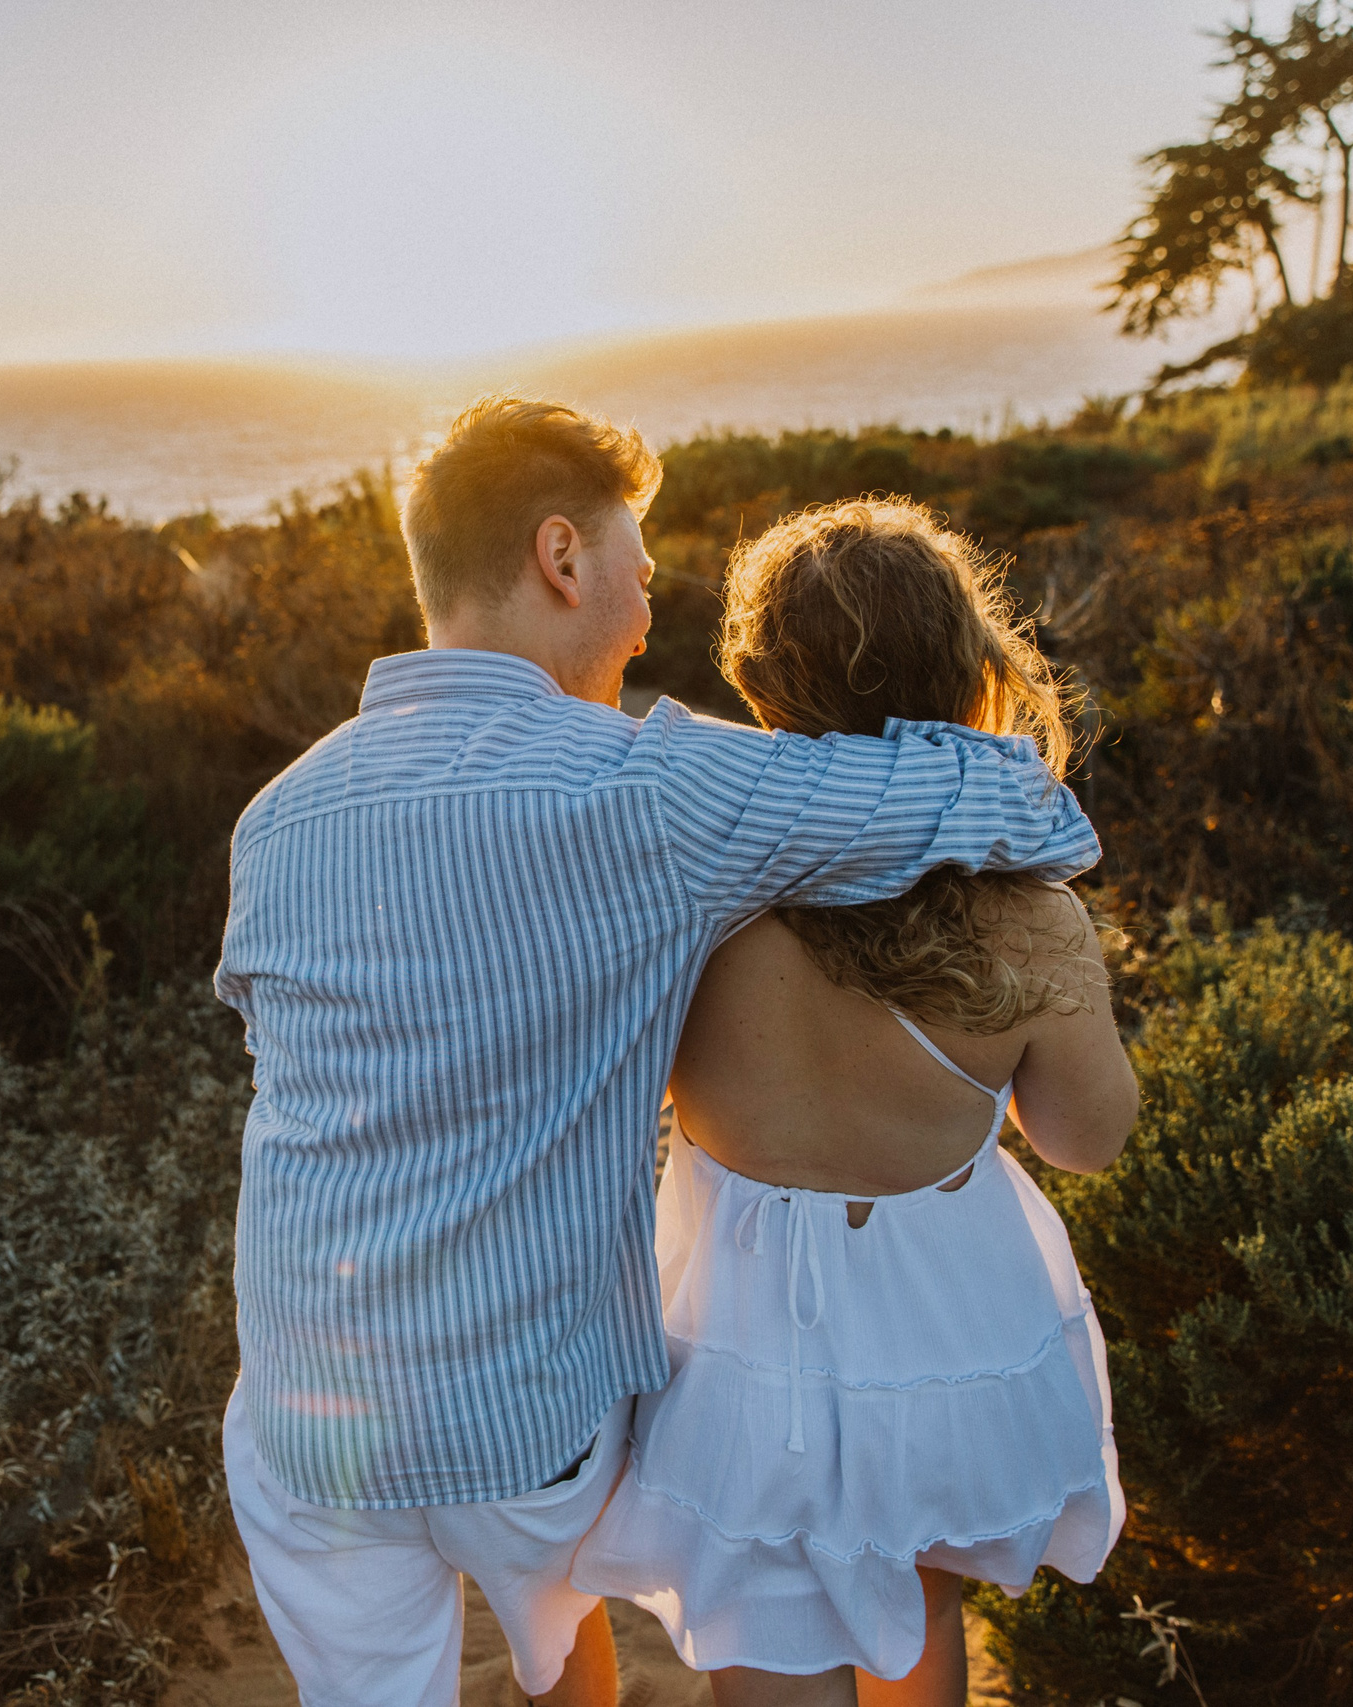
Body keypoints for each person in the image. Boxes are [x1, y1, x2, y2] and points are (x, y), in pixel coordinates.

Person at [211, 400, 1101, 1707]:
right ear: (561, 555)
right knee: (576, 1585)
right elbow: (1019, 801)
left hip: (306, 1428)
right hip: (534, 1431)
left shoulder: (277, 817)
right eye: (638, 558)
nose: (646, 596)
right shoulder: (650, 786)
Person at [572, 497, 1137, 1707]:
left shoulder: (693, 896)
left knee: (771, 1649)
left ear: (760, 676)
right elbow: (1088, 1143)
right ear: (965, 662)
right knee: (920, 1616)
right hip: (946, 1338)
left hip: (741, 1350)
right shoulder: (1031, 917)